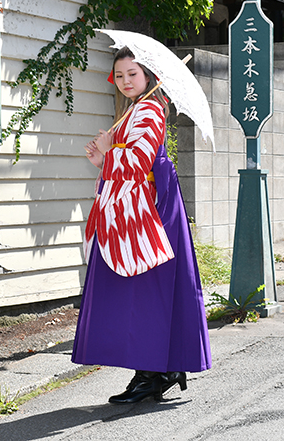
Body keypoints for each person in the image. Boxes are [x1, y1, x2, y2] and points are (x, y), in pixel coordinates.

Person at [71, 46, 212, 404]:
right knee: (148, 291)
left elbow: (137, 163)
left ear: (148, 75)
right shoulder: (137, 111)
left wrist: (110, 151)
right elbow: (129, 166)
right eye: (119, 76)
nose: (125, 81)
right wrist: (104, 157)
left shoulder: (149, 110)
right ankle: (158, 367)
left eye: (132, 74)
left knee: (147, 289)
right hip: (141, 206)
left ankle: (154, 371)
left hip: (150, 211)